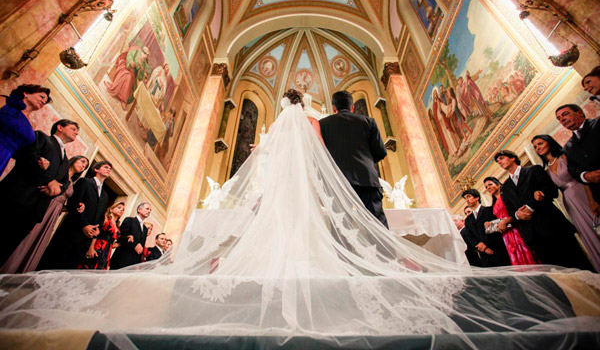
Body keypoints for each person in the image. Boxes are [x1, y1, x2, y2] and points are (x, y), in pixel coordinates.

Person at [1, 93, 600, 346]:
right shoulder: (340, 125)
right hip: (354, 187)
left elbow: (267, 173)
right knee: (357, 238)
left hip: (292, 202)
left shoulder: (293, 134)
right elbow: (360, 162)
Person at [494, 150, 591, 269]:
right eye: (497, 161)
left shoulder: (533, 170)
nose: (499, 161)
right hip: (533, 235)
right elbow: (510, 210)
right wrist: (517, 215)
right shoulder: (506, 186)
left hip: (552, 226)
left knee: (576, 264)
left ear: (513, 158)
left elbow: (551, 190)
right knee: (557, 275)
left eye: (501, 158)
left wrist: (531, 206)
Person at [0, 119, 76, 266]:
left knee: (7, 247)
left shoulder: (66, 160)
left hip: (36, 208)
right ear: (60, 127)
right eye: (73, 128)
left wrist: (55, 190)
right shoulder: (41, 138)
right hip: (18, 197)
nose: (76, 132)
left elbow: (65, 182)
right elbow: (26, 157)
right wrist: (48, 180)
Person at [1, 155, 89, 273]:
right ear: (74, 160)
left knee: (39, 240)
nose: (83, 166)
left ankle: (22, 270)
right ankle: (8, 267)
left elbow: (67, 202)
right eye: (82, 161)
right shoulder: (60, 171)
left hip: (54, 213)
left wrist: (76, 207)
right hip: (45, 205)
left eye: (86, 165)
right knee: (29, 234)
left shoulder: (73, 182)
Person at [319, 90, 389, 228]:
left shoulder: (322, 125)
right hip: (367, 180)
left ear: (334, 108)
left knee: (342, 229)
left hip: (337, 182)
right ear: (352, 107)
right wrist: (365, 162)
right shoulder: (368, 122)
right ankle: (384, 250)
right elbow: (380, 152)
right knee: (377, 226)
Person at [532, 134, 600, 271]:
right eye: (534, 147)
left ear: (549, 142)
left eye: (540, 143)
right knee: (587, 232)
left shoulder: (565, 157)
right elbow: (550, 190)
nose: (537, 148)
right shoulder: (545, 170)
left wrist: (592, 200)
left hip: (584, 193)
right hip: (569, 202)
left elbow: (581, 176)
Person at [38, 161, 112, 270]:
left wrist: (97, 230)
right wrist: (85, 225)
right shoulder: (84, 182)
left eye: (110, 169)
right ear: (96, 169)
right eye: (106, 167)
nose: (108, 170)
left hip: (86, 238)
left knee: (70, 267)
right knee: (56, 262)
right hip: (73, 230)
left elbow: (101, 216)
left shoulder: (105, 195)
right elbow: (74, 203)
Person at [483, 177, 540, 266]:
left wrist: (507, 221)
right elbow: (499, 217)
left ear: (498, 184)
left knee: (526, 252)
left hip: (516, 228)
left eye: (490, 184)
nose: (488, 188)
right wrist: (491, 223)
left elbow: (516, 209)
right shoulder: (493, 204)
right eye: (486, 187)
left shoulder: (507, 195)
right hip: (506, 233)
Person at [0, 84, 51, 176]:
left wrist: (38, 160)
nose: (43, 101)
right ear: (26, 93)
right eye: (42, 97)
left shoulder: (33, 125)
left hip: (5, 156)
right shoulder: (5, 101)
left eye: (45, 101)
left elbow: (23, 151)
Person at [556, 104, 600, 204]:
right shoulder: (568, 147)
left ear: (579, 112)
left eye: (565, 114)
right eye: (559, 118)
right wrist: (586, 176)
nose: (562, 119)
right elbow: (572, 169)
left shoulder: (597, 124)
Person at [461, 189, 510, 267]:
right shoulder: (468, 220)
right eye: (465, 198)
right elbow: (470, 236)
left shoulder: (489, 210)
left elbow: (496, 229)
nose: (467, 200)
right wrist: (480, 247)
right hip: (483, 254)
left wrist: (485, 244)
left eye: (469, 196)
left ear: (477, 198)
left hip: (496, 249)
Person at [78, 202, 125, 270]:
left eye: (123, 209)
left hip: (106, 253)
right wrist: (91, 248)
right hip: (97, 248)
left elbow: (112, 243)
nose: (121, 210)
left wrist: (125, 240)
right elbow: (96, 233)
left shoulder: (117, 226)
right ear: (111, 209)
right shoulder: (105, 219)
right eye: (119, 207)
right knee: (88, 268)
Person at [110, 202, 151, 269]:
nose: (149, 211)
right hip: (121, 260)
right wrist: (134, 245)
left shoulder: (145, 229)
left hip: (133, 264)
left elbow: (141, 247)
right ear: (139, 210)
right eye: (147, 209)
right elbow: (120, 236)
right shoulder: (129, 220)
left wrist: (138, 265)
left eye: (150, 210)